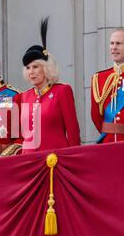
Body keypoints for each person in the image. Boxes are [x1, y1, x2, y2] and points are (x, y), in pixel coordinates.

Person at [20, 18, 81, 153]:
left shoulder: (62, 91)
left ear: (46, 68)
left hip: (54, 159)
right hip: (28, 160)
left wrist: (73, 158)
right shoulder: (25, 96)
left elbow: (73, 131)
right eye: (28, 68)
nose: (31, 72)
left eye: (35, 67)